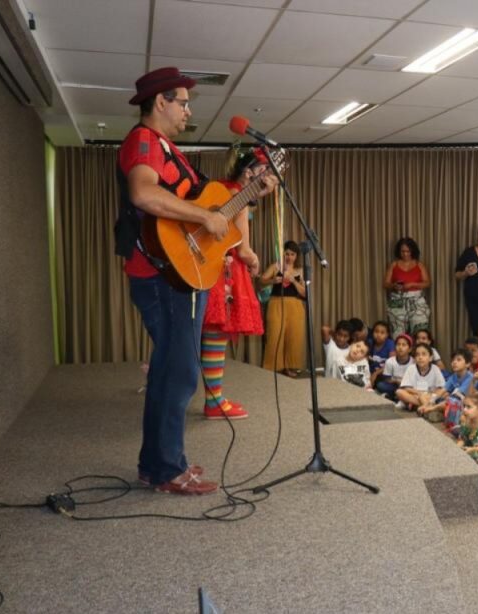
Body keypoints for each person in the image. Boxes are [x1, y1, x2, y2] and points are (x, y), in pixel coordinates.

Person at [116, 67, 277, 495]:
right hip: (165, 275)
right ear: (161, 102)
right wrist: (205, 216)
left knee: (171, 371)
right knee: (181, 372)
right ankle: (167, 467)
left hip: (175, 272)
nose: (188, 109)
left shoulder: (169, 149)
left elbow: (206, 208)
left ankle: (158, 464)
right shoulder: (145, 141)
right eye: (183, 101)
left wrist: (246, 196)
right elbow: (144, 194)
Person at [199, 149, 268, 420]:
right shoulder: (239, 194)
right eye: (266, 172)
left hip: (210, 267)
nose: (269, 179)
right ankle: (214, 401)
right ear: (250, 172)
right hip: (224, 272)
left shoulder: (224, 187)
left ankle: (212, 397)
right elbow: (243, 249)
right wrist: (254, 261)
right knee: (216, 335)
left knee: (205, 335)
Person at [260, 240, 306, 377]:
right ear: (283, 253)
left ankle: (290, 367)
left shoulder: (300, 271)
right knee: (274, 334)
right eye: (287, 253)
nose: (289, 257)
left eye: (292, 254)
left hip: (295, 307)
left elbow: (305, 293)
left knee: (294, 336)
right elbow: (261, 281)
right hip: (276, 304)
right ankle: (272, 367)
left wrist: (293, 281)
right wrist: (273, 280)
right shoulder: (276, 267)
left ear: (296, 256)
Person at [383, 237, 430, 337]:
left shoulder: (419, 265)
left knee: (420, 331)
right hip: (397, 300)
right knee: (397, 333)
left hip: (417, 301)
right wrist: (394, 286)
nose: (405, 254)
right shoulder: (394, 265)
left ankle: (420, 352)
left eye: (408, 251)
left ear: (412, 251)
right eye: (402, 251)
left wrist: (413, 284)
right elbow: (386, 284)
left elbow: (427, 283)